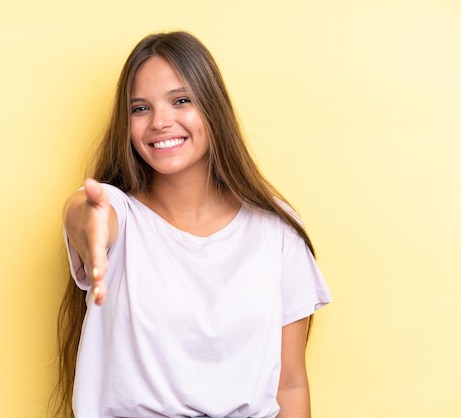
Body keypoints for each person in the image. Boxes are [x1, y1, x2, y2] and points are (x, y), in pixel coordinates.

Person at [55, 31, 331, 418]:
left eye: (181, 101)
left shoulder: (276, 229)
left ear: (212, 108)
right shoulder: (121, 217)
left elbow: (291, 384)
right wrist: (87, 222)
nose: (159, 122)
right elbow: (87, 210)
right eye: (140, 109)